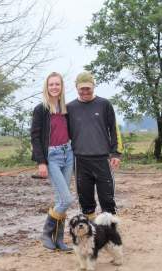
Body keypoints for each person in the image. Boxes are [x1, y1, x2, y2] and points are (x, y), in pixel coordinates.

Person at [67, 71, 122, 220]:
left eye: (88, 88)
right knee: (86, 201)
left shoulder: (104, 104)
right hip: (80, 161)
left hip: (103, 159)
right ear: (76, 88)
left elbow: (114, 130)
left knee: (107, 200)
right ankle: (91, 234)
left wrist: (116, 153)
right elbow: (64, 135)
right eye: (82, 88)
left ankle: (110, 234)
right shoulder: (70, 108)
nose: (85, 91)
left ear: (93, 87)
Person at [31, 72, 74, 251]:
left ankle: (59, 239)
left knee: (59, 200)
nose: (54, 87)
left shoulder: (67, 109)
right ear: (47, 87)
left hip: (69, 154)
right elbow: (35, 136)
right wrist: (41, 162)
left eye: (57, 84)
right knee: (66, 200)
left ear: (62, 87)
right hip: (52, 156)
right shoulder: (41, 109)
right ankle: (47, 233)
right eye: (51, 84)